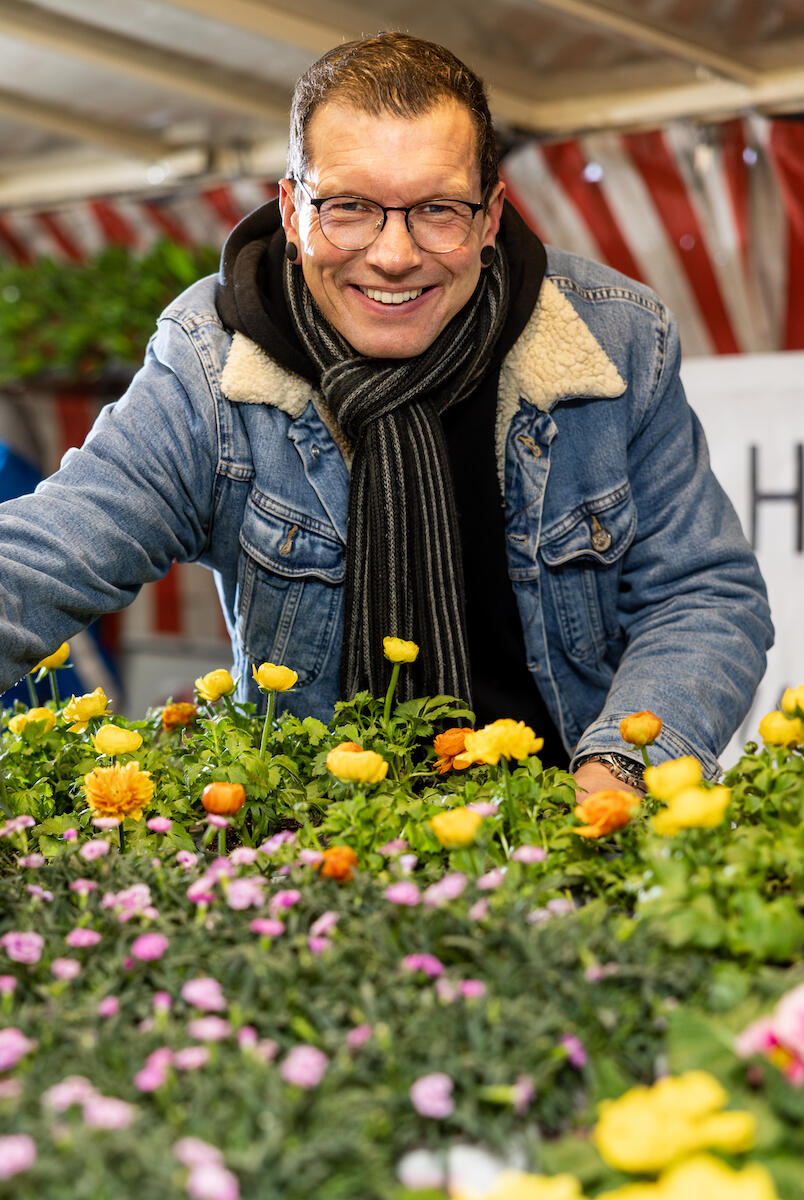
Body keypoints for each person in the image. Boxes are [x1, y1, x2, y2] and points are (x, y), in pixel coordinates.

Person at [0, 32, 772, 795]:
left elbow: (702, 595)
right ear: (292, 210)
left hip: (567, 830)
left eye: (437, 209)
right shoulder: (212, 371)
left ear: (491, 215)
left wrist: (616, 777)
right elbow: (44, 558)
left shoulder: (617, 342)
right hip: (326, 856)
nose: (394, 254)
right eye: (350, 207)